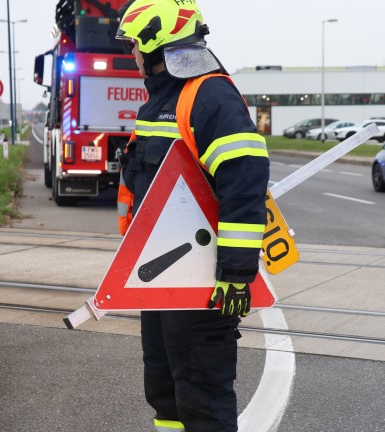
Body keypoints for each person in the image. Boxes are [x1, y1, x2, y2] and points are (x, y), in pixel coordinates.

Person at [115, 1, 269, 431]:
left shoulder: (209, 95)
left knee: (202, 396)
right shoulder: (162, 99)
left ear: (155, 42)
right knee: (164, 393)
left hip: (204, 282)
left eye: (134, 44)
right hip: (160, 274)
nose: (132, 54)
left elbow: (245, 176)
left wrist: (237, 272)